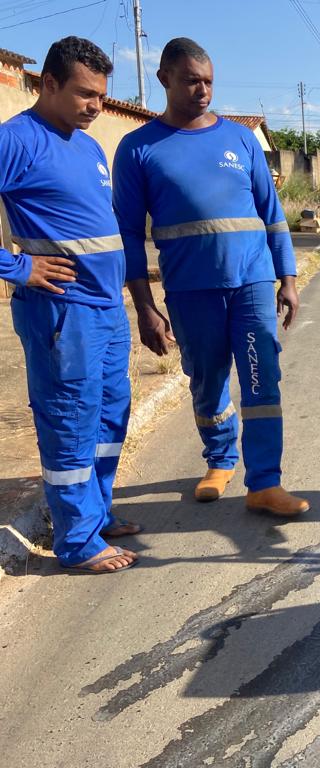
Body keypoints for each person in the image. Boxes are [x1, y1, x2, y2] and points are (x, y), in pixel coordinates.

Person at [113, 38, 308, 517]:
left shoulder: (240, 139)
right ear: (164, 79)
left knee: (262, 381)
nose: (203, 91)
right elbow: (128, 236)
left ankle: (264, 482)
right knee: (207, 379)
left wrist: (287, 276)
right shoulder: (138, 149)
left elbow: (272, 214)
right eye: (191, 81)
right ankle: (220, 460)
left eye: (209, 82)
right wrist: (144, 307)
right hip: (189, 290)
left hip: (251, 285)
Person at [0, 38, 139, 573]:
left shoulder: (87, 145)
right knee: (70, 420)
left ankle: (96, 514)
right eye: (84, 94)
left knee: (109, 415)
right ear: (48, 84)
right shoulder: (17, 141)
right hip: (62, 312)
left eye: (102, 96)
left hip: (106, 308)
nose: (96, 107)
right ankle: (77, 542)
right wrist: (19, 267)